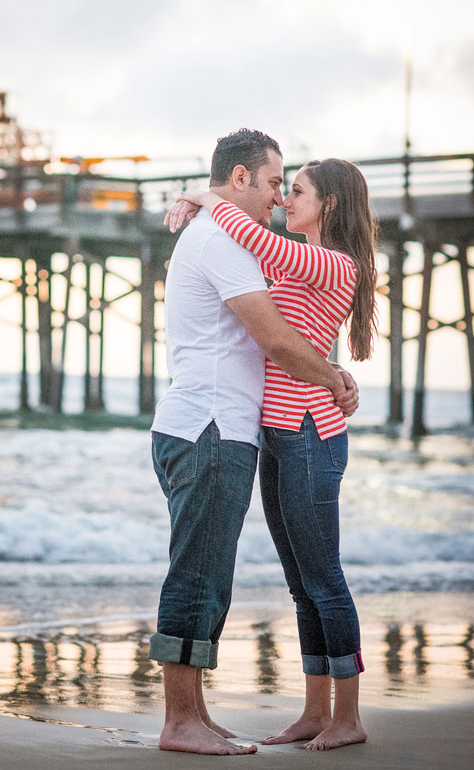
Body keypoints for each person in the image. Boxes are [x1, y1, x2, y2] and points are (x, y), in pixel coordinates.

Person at [150, 129, 359, 756]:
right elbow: (277, 341)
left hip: (253, 427)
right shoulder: (224, 238)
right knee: (200, 574)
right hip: (213, 425)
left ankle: (198, 714)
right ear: (240, 179)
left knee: (221, 573)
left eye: (291, 189)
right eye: (275, 184)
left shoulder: (257, 244)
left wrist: (202, 199)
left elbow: (272, 258)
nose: (278, 197)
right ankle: (181, 720)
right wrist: (337, 378)